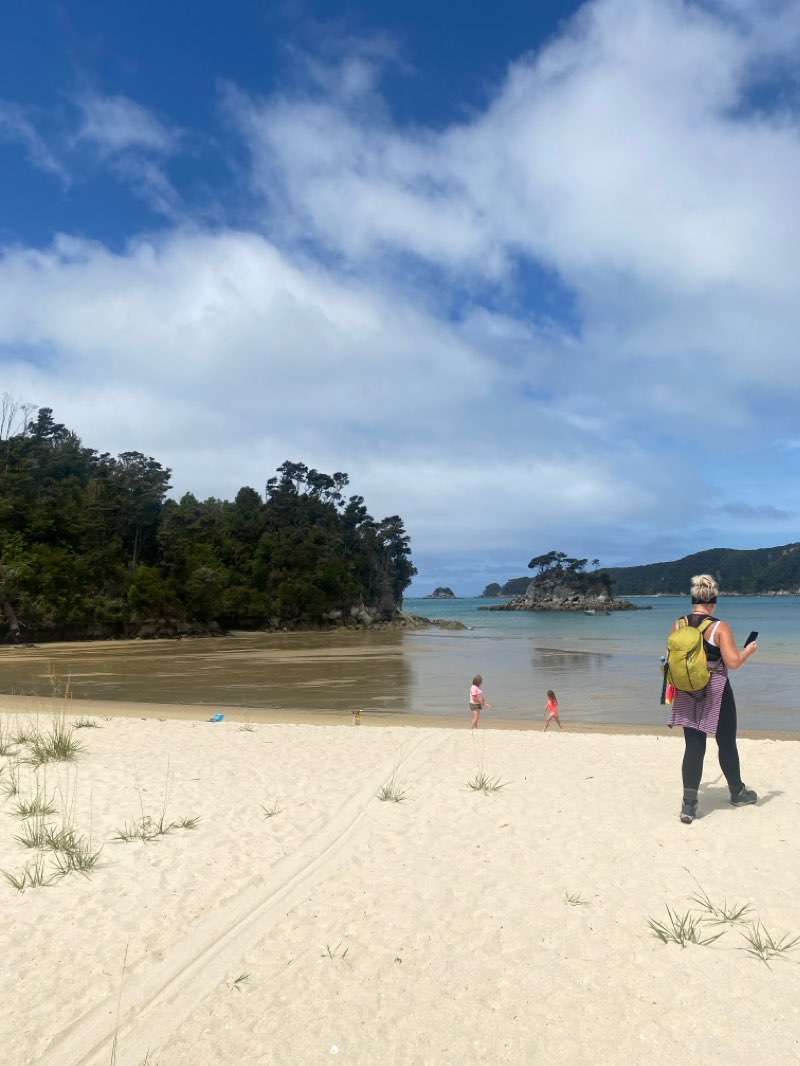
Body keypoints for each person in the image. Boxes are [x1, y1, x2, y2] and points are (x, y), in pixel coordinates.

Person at [668, 573, 758, 824]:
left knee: (694, 746)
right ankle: (738, 792)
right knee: (726, 742)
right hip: (715, 689)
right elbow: (733, 662)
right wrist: (748, 650)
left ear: (693, 599)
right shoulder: (719, 627)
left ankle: (688, 806)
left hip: (686, 690)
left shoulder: (678, 624)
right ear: (713, 602)